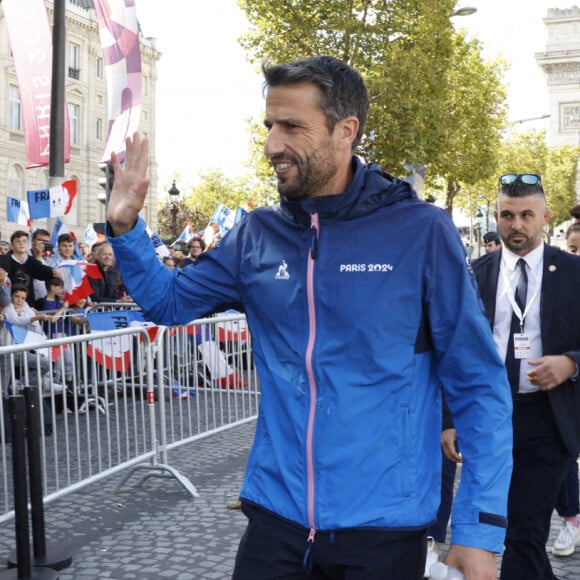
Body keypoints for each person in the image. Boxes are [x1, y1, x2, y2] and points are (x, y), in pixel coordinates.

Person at [105, 57, 512, 579]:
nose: (273, 144)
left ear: (346, 131)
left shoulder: (422, 232)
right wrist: (125, 224)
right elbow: (170, 303)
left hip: (383, 531)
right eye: (269, 126)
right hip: (275, 520)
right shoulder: (256, 235)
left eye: (292, 126)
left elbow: (479, 383)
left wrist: (478, 531)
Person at [467, 173, 580, 579]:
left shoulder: (573, 272)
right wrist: (448, 421)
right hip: (490, 419)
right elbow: (452, 351)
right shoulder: (475, 274)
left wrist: (571, 362)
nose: (516, 225)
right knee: (509, 530)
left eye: (526, 215)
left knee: (525, 530)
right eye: (507, 215)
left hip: (548, 420)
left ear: (545, 217)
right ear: (496, 218)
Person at [549, 220, 580, 558]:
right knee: (565, 453)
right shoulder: (560, 286)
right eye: (573, 250)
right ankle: (571, 519)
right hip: (568, 390)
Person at [0, 231, 59, 307]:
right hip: (8, 304)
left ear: (28, 245)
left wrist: (53, 271)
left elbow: (42, 270)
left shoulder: (31, 261)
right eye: (18, 241)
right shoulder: (3, 260)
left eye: (24, 241)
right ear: (11, 246)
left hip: (27, 305)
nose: (21, 243)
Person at [30, 228, 52, 307]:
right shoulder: (26, 255)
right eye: (40, 240)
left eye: (46, 241)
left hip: (43, 298)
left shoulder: (48, 258)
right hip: (31, 300)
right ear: (33, 241)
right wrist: (38, 255)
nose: (43, 243)